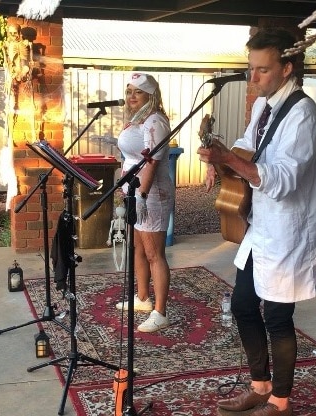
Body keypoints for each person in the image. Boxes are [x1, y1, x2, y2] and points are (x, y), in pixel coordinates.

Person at [197, 28, 316, 416]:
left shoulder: (303, 115)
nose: (252, 79)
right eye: (250, 69)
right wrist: (220, 161)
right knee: (241, 303)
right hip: (261, 227)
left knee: (276, 315)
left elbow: (284, 179)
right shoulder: (262, 106)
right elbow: (249, 145)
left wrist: (233, 160)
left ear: (287, 68)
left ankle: (281, 401)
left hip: (289, 231)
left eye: (262, 70)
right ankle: (260, 385)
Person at [115, 73, 175, 333]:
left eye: (137, 92)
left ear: (151, 95)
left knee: (154, 253)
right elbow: (130, 157)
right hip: (135, 192)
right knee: (137, 248)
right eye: (129, 91)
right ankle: (142, 298)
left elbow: (152, 163)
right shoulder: (137, 120)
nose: (131, 97)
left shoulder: (155, 121)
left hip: (151, 194)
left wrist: (141, 195)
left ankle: (160, 312)